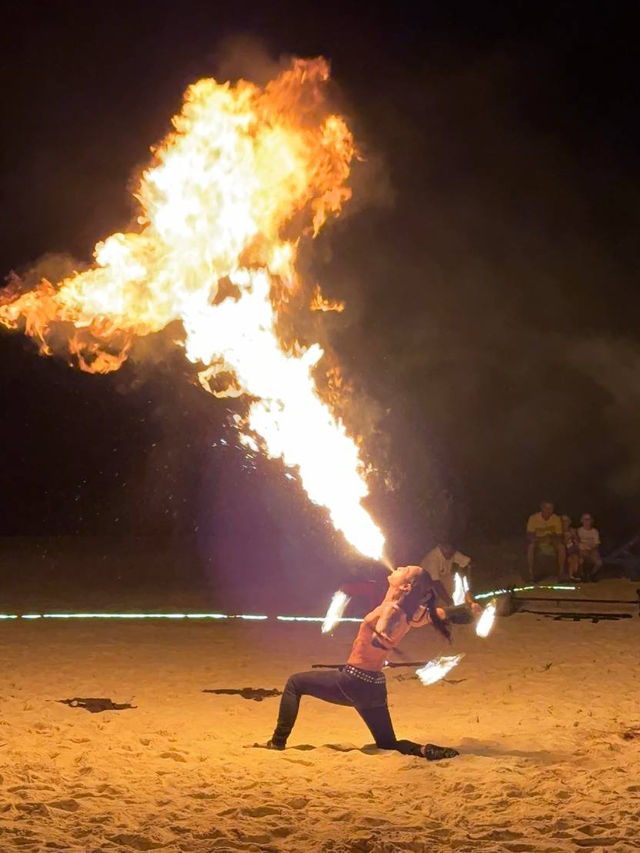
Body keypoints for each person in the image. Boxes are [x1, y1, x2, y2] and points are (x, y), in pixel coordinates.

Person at [259, 565, 459, 761]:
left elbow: (384, 624)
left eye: (405, 569)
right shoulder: (413, 614)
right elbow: (441, 614)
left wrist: (381, 636)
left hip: (353, 681)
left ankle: (277, 742)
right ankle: (424, 750)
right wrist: (468, 610)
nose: (398, 567)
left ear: (406, 586)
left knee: (295, 683)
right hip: (374, 686)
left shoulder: (391, 609)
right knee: (388, 743)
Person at [419, 542, 475, 610]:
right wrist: (449, 602)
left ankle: (449, 607)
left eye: (452, 551)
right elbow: (436, 583)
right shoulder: (433, 559)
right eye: (447, 550)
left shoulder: (451, 553)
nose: (450, 555)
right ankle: (443, 610)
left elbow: (467, 562)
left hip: (440, 581)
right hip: (424, 586)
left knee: (450, 578)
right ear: (441, 546)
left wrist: (468, 593)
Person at [526, 500, 565, 579]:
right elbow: (529, 535)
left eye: (550, 508)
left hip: (551, 541)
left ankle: (561, 573)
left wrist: (551, 538)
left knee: (561, 547)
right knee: (531, 547)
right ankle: (530, 573)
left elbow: (559, 535)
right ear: (542, 508)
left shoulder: (556, 519)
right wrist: (543, 538)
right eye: (546, 508)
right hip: (538, 541)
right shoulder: (533, 518)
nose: (548, 510)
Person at [577, 513, 602, 581]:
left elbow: (596, 544)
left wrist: (592, 550)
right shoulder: (579, 531)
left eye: (588, 519)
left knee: (599, 562)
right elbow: (577, 543)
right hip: (581, 550)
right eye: (585, 519)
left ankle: (591, 575)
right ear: (581, 520)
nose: (587, 521)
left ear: (591, 521)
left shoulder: (595, 531)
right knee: (580, 560)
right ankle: (582, 575)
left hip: (592, 550)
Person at [561, 515, 581, 580]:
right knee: (571, 558)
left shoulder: (573, 530)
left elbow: (577, 542)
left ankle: (573, 575)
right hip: (563, 551)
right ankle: (571, 576)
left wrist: (574, 536)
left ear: (569, 522)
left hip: (572, 550)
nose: (564, 522)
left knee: (574, 557)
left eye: (566, 521)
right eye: (563, 521)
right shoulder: (558, 531)